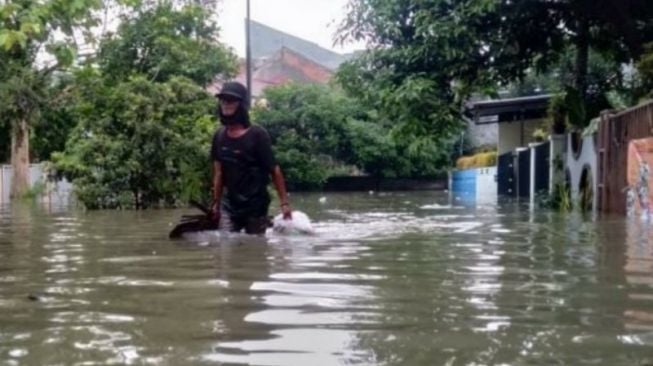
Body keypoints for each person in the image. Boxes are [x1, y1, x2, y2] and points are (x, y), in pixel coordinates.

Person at [210, 81, 292, 235]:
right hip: (229, 205)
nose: (226, 104)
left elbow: (274, 170)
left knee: (255, 248)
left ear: (241, 105)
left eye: (231, 100)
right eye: (223, 100)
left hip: (255, 205)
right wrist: (216, 203)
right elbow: (218, 173)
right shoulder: (219, 136)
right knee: (225, 244)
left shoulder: (257, 135)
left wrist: (284, 203)